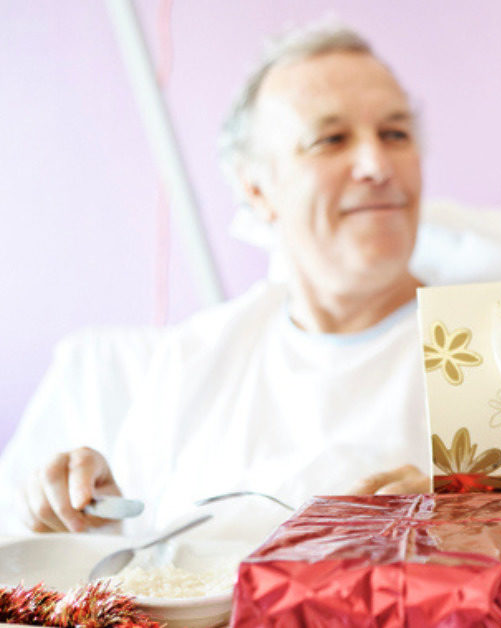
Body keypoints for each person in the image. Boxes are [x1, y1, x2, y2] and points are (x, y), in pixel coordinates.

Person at [0, 24, 432, 534]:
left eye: (395, 133)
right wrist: (94, 519)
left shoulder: (491, 356)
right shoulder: (197, 360)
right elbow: (143, 554)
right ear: (256, 188)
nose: (377, 164)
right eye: (330, 139)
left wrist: (470, 518)